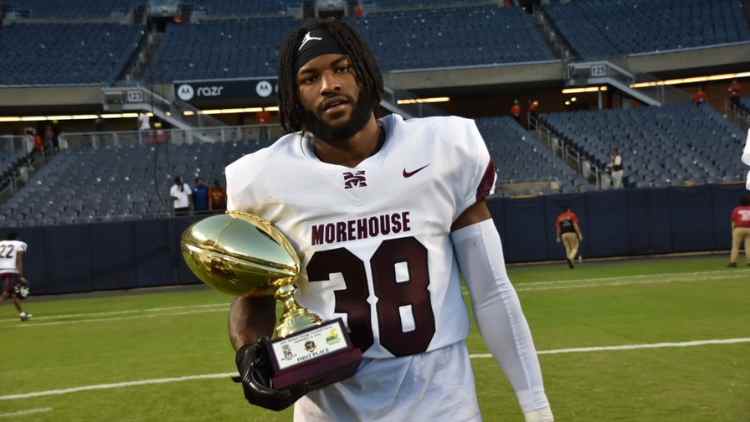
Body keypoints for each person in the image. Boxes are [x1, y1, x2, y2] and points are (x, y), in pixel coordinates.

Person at [225, 20, 553, 422]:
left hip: (442, 406)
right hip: (331, 409)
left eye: (341, 68)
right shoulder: (262, 181)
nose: (328, 84)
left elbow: (492, 291)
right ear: (294, 96)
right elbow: (254, 299)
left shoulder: (443, 150)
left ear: (364, 74)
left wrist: (536, 408)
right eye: (310, 77)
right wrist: (249, 352)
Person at [0, 232, 31, 321]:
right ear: (17, 238)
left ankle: (22, 314)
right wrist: (20, 275)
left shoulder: (1, 244)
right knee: (6, 293)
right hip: (11, 270)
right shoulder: (19, 244)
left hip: (1, 270)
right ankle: (22, 314)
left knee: (13, 293)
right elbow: (18, 259)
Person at [729, 195, 750, 267]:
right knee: (748, 247)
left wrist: (733, 230)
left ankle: (733, 262)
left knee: (735, 246)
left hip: (739, 228)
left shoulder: (736, 209)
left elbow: (733, 221)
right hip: (749, 228)